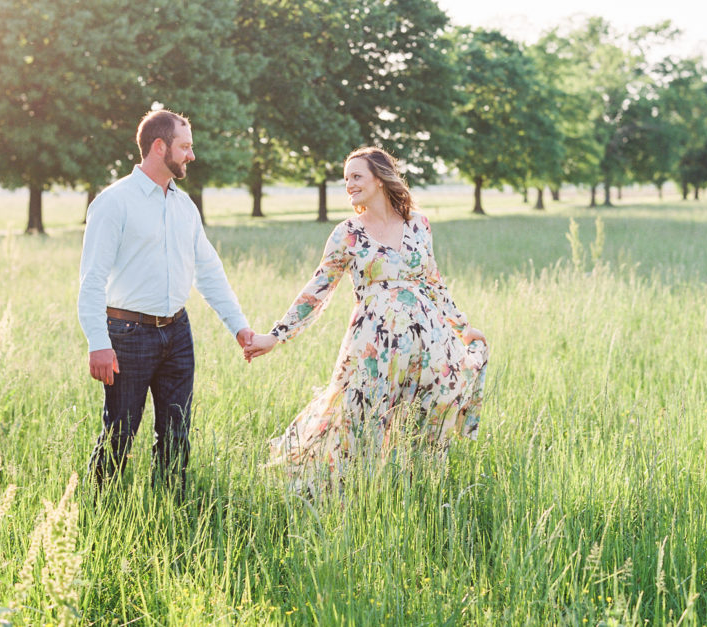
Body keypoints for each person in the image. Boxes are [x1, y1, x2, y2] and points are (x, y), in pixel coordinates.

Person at [245, 146, 488, 490]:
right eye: (346, 179)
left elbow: (434, 282)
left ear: (379, 178)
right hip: (374, 347)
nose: (349, 185)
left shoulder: (418, 224)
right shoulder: (348, 233)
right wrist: (275, 335)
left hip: (428, 344)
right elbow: (317, 289)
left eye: (356, 177)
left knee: (431, 409)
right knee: (359, 423)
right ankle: (348, 494)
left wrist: (463, 328)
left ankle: (415, 489)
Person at [78, 109, 254, 497]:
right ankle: (96, 509)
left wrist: (239, 328)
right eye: (185, 146)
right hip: (127, 334)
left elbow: (208, 271)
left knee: (177, 430)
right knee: (120, 433)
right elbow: (91, 279)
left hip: (177, 331)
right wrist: (98, 342)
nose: (191, 155)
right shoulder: (114, 203)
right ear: (160, 147)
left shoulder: (184, 206)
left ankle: (170, 507)